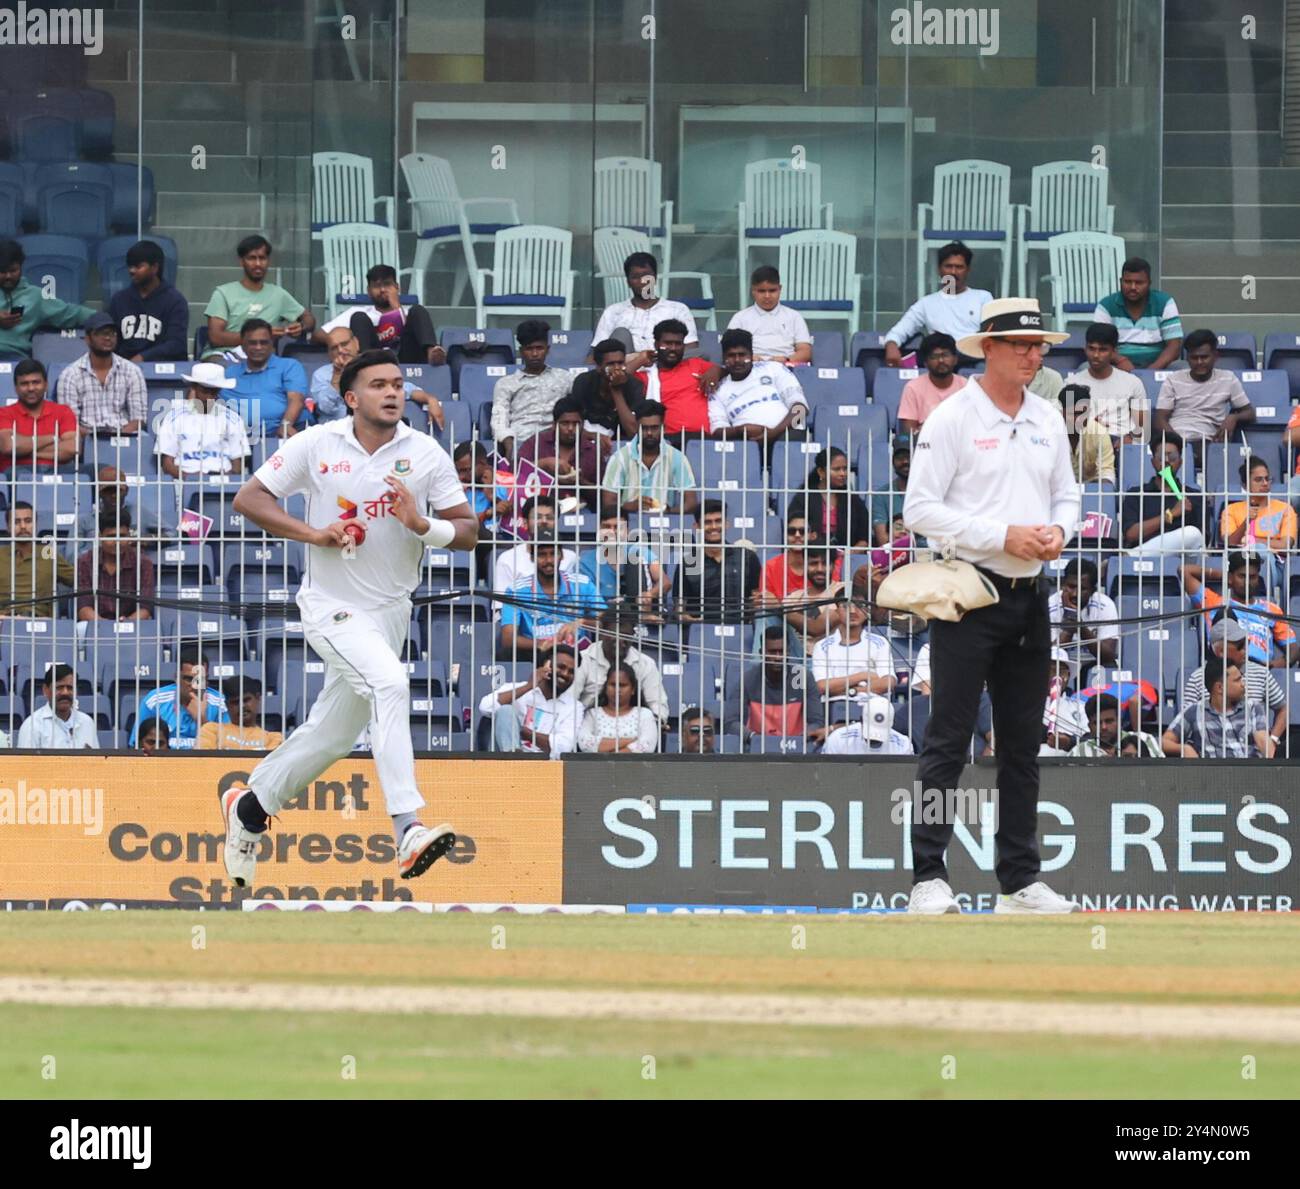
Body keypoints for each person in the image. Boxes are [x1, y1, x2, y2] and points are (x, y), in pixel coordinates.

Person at [221, 346, 479, 887]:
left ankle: (248, 809)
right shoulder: (316, 443)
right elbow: (249, 499)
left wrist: (419, 523)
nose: (393, 392)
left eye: (399, 383)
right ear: (351, 397)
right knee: (390, 684)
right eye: (381, 384)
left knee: (334, 736)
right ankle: (408, 827)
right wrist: (314, 534)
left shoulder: (424, 451)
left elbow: (468, 532)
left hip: (391, 612)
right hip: (331, 607)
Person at [902, 296, 1080, 915]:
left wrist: (1061, 531)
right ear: (992, 349)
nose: (1036, 355)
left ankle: (1019, 880)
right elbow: (918, 510)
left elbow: (1068, 495)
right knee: (948, 738)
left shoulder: (1047, 417)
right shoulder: (952, 418)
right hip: (968, 594)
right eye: (1025, 345)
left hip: (1031, 596)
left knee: (1023, 744)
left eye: (1041, 346)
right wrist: (999, 535)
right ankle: (928, 876)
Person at [1181, 551, 1297, 669]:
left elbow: (1293, 648)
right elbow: (1185, 571)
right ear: (1231, 578)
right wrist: (1224, 576)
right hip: (1225, 669)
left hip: (1260, 671)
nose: (1248, 582)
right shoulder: (1214, 602)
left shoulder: (1271, 609)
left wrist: (1274, 665)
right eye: (1242, 576)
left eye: (1252, 577)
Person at [883, 242, 992, 367]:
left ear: (968, 270)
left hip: (975, 361)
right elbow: (899, 331)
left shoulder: (983, 298)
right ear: (939, 269)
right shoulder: (926, 303)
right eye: (948, 266)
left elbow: (992, 333)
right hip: (940, 364)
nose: (953, 272)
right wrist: (891, 345)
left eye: (959, 267)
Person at [1181, 616, 1287, 746]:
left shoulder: (1261, 673)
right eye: (1240, 646)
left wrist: (1273, 740)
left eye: (1246, 643)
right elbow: (1185, 723)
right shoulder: (1198, 678)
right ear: (1220, 652)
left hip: (1255, 758)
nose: (1245, 650)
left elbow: (1283, 708)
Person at [312, 326, 443, 428]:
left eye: (344, 344)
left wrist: (430, 399)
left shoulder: (373, 367)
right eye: (334, 348)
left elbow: (406, 389)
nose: (340, 350)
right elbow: (326, 407)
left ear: (356, 343)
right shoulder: (321, 375)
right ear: (329, 353)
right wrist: (337, 375)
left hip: (372, 433)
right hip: (337, 436)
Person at [204, 234, 314, 350]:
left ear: (268, 261)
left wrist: (301, 326)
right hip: (226, 357)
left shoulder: (278, 294)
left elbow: (309, 318)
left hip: (265, 360)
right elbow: (216, 338)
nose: (258, 264)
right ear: (241, 262)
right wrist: (262, 336)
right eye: (251, 258)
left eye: (262, 258)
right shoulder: (223, 293)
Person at [321, 263, 445, 365]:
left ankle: (432, 354)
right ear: (369, 291)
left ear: (397, 288)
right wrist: (343, 341)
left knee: (418, 310)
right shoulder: (357, 312)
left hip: (407, 359)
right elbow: (318, 335)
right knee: (358, 318)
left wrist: (396, 309)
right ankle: (364, 365)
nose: (382, 290)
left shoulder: (410, 315)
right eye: (376, 286)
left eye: (387, 284)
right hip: (373, 362)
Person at [499, 541, 604, 659]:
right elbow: (508, 639)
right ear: (532, 558)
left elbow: (605, 620)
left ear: (562, 556)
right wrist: (542, 644)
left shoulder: (582, 583)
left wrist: (582, 622)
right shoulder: (516, 591)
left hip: (578, 655)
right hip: (536, 655)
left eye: (553, 554)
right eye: (542, 555)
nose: (549, 560)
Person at [1153, 328, 1254, 444]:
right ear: (1187, 358)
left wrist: (1234, 418)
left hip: (1209, 442)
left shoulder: (1228, 379)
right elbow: (1159, 420)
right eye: (1194, 358)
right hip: (1177, 441)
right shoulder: (1173, 380)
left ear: (1215, 356)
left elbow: (1250, 412)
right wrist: (1178, 444)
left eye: (1204, 357)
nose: (1199, 362)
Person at [568, 606, 668, 723]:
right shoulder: (583, 659)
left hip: (634, 729)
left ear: (632, 635)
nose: (619, 640)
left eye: (625, 635)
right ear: (601, 632)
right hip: (587, 726)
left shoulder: (646, 664)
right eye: (613, 633)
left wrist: (653, 724)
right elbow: (569, 702)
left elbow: (659, 708)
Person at [592, 251, 699, 360]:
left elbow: (691, 349)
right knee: (621, 334)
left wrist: (652, 358)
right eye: (635, 277)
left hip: (667, 367)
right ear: (628, 282)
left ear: (655, 278)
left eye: (647, 276)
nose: (642, 282)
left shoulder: (677, 310)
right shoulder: (613, 311)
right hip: (626, 371)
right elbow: (595, 355)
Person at [477, 646, 582, 757]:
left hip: (544, 767)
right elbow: (485, 707)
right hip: (503, 760)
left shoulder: (574, 707)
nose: (565, 674)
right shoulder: (517, 689)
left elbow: (563, 747)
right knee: (505, 710)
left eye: (571, 671)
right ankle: (514, 759)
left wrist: (520, 730)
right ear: (546, 665)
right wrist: (529, 686)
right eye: (561, 667)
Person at [58, 313, 149, 440]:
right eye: (101, 333)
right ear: (87, 339)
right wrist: (96, 441)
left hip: (123, 438)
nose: (107, 338)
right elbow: (70, 423)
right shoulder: (70, 375)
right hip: (86, 440)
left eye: (112, 333)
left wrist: (116, 440)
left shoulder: (132, 371)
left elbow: (138, 419)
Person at [600, 400, 698, 517]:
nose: (649, 433)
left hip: (664, 526)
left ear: (663, 428)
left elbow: (691, 503)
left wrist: (668, 511)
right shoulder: (620, 458)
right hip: (628, 523)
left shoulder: (677, 458)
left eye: (654, 428)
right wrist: (629, 506)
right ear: (636, 427)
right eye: (644, 428)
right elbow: (608, 503)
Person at [708, 328, 808, 442]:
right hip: (747, 442)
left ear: (751, 355)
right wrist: (740, 430)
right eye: (731, 355)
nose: (737, 360)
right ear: (723, 357)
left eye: (742, 355)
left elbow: (801, 409)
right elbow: (717, 431)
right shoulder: (717, 389)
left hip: (788, 435)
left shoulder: (774, 368)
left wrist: (773, 433)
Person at [0, 238, 94, 359]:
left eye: (13, 271)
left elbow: (71, 313)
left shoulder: (35, 296)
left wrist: (105, 320)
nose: (8, 276)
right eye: (2, 271)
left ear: (21, 268)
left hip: (16, 358)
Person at [1162, 657, 1274, 758]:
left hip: (1248, 774)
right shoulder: (1194, 711)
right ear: (1219, 687)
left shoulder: (1253, 707)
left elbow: (1262, 738)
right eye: (1237, 680)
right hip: (1210, 776)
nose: (1243, 684)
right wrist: (1184, 749)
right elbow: (1163, 742)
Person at [490, 320, 573, 456]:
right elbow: (499, 419)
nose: (535, 354)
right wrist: (508, 443)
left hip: (557, 443)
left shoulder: (565, 379)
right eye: (529, 349)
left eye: (539, 348)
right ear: (521, 352)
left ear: (548, 349)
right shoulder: (505, 384)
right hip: (520, 443)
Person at [673, 499, 761, 624]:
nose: (714, 527)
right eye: (707, 522)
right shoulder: (688, 562)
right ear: (696, 527)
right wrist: (686, 618)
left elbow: (756, 598)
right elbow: (679, 608)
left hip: (741, 633)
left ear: (726, 524)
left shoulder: (747, 557)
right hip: (700, 633)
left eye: (718, 521)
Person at [156, 361, 250, 477]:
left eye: (214, 392)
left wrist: (224, 479)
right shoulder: (173, 417)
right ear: (194, 387)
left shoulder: (233, 419)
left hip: (223, 479)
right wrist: (189, 478)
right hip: (183, 480)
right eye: (205, 391)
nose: (209, 397)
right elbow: (167, 463)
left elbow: (238, 463)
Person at [1120, 431, 1208, 555]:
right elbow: (1131, 535)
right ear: (1153, 462)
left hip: (1184, 561)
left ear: (1180, 462)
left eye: (1172, 457)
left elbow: (1201, 538)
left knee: (1192, 534)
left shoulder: (1194, 496)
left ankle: (1129, 557)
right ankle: (1132, 556)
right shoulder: (1136, 494)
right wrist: (1170, 515)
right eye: (1161, 457)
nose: (1167, 461)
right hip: (1145, 561)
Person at [1091, 257, 1183, 371]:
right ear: (1121, 281)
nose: (1133, 287)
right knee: (1085, 368)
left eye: (1139, 283)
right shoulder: (1106, 305)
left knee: (1183, 368)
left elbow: (1174, 346)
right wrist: (1120, 360)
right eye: (1128, 282)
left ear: (1149, 283)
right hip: (1117, 365)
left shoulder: (1165, 302)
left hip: (1158, 364)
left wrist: (1150, 372)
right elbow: (1098, 345)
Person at [130, 647, 230, 750]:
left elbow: (227, 753)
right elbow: (136, 746)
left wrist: (202, 720)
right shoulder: (155, 701)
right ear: (177, 678)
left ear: (207, 680)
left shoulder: (221, 705)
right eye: (188, 679)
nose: (194, 685)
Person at [742, 626, 827, 746]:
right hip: (757, 750)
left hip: (796, 751)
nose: (777, 657)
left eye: (781, 651)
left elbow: (816, 722)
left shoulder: (803, 677)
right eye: (772, 652)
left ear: (788, 652)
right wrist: (755, 739)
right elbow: (732, 722)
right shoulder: (748, 679)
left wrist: (799, 740)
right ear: (761, 653)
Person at [516, 395, 605, 509]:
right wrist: (544, 464)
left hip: (581, 512)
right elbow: (516, 474)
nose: (570, 428)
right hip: (541, 509)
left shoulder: (593, 451)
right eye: (565, 423)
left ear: (583, 425)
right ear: (554, 425)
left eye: (576, 424)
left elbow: (603, 494)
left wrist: (579, 482)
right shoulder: (536, 443)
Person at [107, 239, 189, 362]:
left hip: (161, 372)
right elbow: (112, 338)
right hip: (124, 371)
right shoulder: (119, 300)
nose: (132, 271)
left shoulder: (175, 301)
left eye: (139, 266)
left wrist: (143, 357)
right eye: (130, 266)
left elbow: (176, 344)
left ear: (155, 268)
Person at [225, 319, 309, 439]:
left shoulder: (289, 366)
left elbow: (296, 399)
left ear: (271, 344)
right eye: (252, 343)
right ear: (242, 346)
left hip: (285, 434)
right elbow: (206, 397)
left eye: (264, 343)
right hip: (243, 439)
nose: (258, 347)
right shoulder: (229, 374)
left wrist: (286, 425)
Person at [810, 597, 894, 714]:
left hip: (873, 706)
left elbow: (887, 683)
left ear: (867, 612)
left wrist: (852, 690)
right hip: (834, 707)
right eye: (845, 606)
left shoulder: (879, 642)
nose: (853, 611)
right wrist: (864, 675)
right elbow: (822, 687)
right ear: (837, 611)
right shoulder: (822, 646)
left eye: (860, 606)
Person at [638, 319, 719, 440]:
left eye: (678, 343)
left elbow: (726, 370)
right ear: (656, 345)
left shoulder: (696, 364)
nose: (673, 348)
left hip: (704, 438)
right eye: (667, 343)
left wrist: (715, 371)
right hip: (669, 440)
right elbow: (619, 381)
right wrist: (639, 359)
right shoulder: (647, 374)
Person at [1065, 322, 1148, 440]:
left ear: (1114, 352)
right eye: (1091, 348)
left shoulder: (1133, 383)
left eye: (1103, 350)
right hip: (1086, 443)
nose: (1096, 355)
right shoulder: (1071, 384)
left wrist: (1129, 439)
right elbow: (1067, 428)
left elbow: (1143, 426)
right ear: (1085, 349)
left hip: (1123, 444)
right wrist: (1090, 427)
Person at [76, 505, 154, 625]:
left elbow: (145, 608)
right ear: (100, 537)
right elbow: (84, 608)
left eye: (122, 536)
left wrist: (126, 624)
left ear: (129, 535)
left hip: (132, 626)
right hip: (95, 626)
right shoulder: (85, 562)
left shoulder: (143, 563)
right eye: (111, 537)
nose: (117, 542)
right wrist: (106, 627)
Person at [579, 510, 667, 615]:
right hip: (604, 619)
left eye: (618, 527)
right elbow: (585, 599)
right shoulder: (586, 561)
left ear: (627, 530)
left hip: (638, 613)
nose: (612, 531)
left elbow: (665, 582)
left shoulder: (640, 551)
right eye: (606, 527)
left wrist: (649, 594)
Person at [491, 494, 579, 596]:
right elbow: (501, 606)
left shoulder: (571, 558)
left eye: (550, 517)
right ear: (525, 523)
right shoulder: (508, 559)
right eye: (537, 517)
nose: (544, 521)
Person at [788, 447, 872, 552]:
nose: (843, 474)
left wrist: (850, 553)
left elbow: (864, 537)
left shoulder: (852, 499)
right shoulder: (803, 498)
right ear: (821, 472)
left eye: (845, 469)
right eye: (837, 469)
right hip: (811, 558)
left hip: (846, 559)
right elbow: (795, 533)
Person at [0, 359, 78, 472]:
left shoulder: (63, 411)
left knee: (106, 473)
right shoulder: (4, 413)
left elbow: (72, 448)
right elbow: (8, 446)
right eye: (24, 384)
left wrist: (25, 450)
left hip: (58, 469)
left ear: (46, 385)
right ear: (16, 388)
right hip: (17, 471)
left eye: (36, 382)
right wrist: (53, 438)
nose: (31, 388)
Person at [726, 265, 813, 364]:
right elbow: (729, 350)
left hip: (786, 368)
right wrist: (748, 358)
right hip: (749, 368)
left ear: (780, 289)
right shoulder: (740, 318)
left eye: (772, 290)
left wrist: (786, 360)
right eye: (761, 291)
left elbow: (805, 352)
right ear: (753, 291)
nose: (767, 296)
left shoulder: (794, 317)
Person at [0, 501, 73, 618]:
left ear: (36, 524)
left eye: (28, 521)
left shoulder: (48, 553)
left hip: (40, 623)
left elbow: (79, 580)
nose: (23, 526)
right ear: (8, 526)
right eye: (16, 522)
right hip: (3, 620)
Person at [1048, 558, 1118, 672]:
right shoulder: (1051, 604)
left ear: (1093, 590)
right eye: (1071, 586)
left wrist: (1081, 628)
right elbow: (1050, 655)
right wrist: (1068, 630)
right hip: (1063, 664)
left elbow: (1108, 656)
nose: (1075, 594)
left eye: (1083, 589)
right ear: (1062, 585)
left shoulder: (1105, 605)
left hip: (1095, 666)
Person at [1219, 456, 1295, 556]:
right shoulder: (1231, 510)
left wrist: (1251, 540)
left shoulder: (1285, 509)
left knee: (1260, 550)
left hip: (1274, 562)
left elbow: (1285, 546)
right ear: (1245, 485)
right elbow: (1230, 543)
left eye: (1267, 479)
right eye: (1258, 480)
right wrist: (1246, 522)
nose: (1265, 483)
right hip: (1242, 561)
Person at [577, 663, 661, 754]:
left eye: (623, 685)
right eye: (613, 685)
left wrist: (607, 751)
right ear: (606, 687)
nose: (617, 690)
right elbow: (584, 743)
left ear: (633, 689)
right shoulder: (592, 714)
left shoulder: (645, 714)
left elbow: (647, 745)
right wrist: (628, 741)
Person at [572, 338, 644, 439]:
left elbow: (633, 432)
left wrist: (616, 390)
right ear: (598, 366)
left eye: (620, 363)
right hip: (587, 441)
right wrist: (595, 437)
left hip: (622, 442)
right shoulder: (583, 382)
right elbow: (571, 426)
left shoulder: (634, 385)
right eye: (611, 364)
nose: (617, 368)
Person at [897, 332, 967, 435]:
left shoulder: (965, 386)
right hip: (925, 444)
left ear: (955, 359)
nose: (941, 360)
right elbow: (909, 432)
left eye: (945, 355)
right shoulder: (913, 388)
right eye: (934, 356)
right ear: (925, 362)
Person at [15, 663, 99, 749]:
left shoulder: (87, 723)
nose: (65, 692)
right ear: (45, 690)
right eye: (59, 687)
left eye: (70, 688)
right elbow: (25, 762)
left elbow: (97, 761)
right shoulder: (32, 726)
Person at [198, 677, 284, 750]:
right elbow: (204, 764)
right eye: (235, 702)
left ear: (258, 698)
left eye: (246, 700)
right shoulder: (211, 730)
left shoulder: (273, 738)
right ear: (227, 705)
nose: (242, 706)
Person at [1069, 692, 1162, 757]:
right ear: (1089, 726)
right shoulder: (1078, 752)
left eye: (1109, 721)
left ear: (1120, 721)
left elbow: (1163, 775)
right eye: (1097, 723)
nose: (1103, 727)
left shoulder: (1144, 739)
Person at [1058, 383, 1115, 485]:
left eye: (1082, 413)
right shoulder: (1050, 432)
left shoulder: (1100, 433)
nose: (1078, 419)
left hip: (1093, 490)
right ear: (1062, 413)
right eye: (1073, 413)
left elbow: (1107, 474)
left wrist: (1098, 491)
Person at [821, 694, 914, 756]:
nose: (874, 740)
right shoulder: (837, 739)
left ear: (892, 725)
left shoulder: (903, 745)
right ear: (861, 721)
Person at [1041, 648, 1090, 754]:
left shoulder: (1080, 706)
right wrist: (1049, 735)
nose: (1056, 676)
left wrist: (1069, 741)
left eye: (1062, 671)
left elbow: (1092, 739)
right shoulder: (1026, 705)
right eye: (1050, 670)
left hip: (1073, 766)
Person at [871, 441, 914, 547]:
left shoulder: (928, 493)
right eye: (900, 458)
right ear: (893, 462)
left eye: (909, 457)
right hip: (893, 557)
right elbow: (883, 540)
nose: (905, 461)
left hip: (925, 557)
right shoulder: (881, 495)